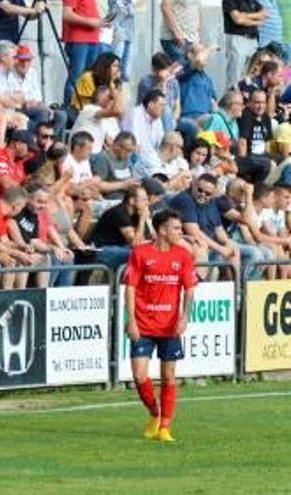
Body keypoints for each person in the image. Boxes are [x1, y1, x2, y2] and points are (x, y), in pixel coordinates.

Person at [125, 208, 197, 443]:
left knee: (168, 376)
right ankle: (154, 413)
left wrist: (184, 316)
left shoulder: (183, 255)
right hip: (143, 325)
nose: (180, 231)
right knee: (138, 375)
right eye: (176, 228)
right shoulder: (141, 253)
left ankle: (165, 427)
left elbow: (190, 289)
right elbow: (130, 288)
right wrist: (132, 321)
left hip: (169, 326)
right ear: (162, 230)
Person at [88, 185, 150, 269]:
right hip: (101, 250)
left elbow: (141, 240)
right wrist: (142, 219)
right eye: (144, 199)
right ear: (132, 200)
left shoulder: (136, 214)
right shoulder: (119, 213)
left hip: (121, 247)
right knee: (139, 255)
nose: (147, 203)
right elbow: (135, 244)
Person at [62, 0, 101, 105]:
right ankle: (69, 111)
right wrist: (90, 22)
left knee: (90, 79)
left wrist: (100, 22)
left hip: (92, 39)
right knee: (75, 79)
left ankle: (85, 108)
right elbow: (66, 14)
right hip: (78, 40)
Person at [123, 89, 166, 175]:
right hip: (134, 160)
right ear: (150, 104)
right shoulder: (135, 113)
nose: (163, 109)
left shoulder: (157, 119)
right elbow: (135, 146)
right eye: (161, 105)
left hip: (151, 160)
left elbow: (162, 144)